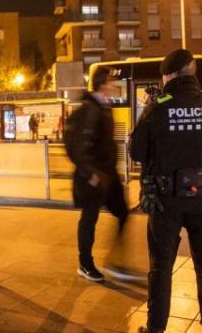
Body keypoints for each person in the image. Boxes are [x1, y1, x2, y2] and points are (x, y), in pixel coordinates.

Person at [130, 49, 202, 333]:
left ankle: (156, 328)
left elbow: (136, 151)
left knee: (161, 266)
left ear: (168, 75)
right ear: (193, 70)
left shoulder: (157, 107)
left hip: (166, 200)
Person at [66, 66, 132, 282]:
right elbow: (76, 147)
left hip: (108, 175)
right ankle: (85, 264)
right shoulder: (89, 109)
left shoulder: (104, 107)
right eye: (111, 82)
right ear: (102, 83)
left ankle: (115, 262)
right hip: (93, 177)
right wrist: (91, 173)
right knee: (89, 219)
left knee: (122, 213)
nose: (114, 86)